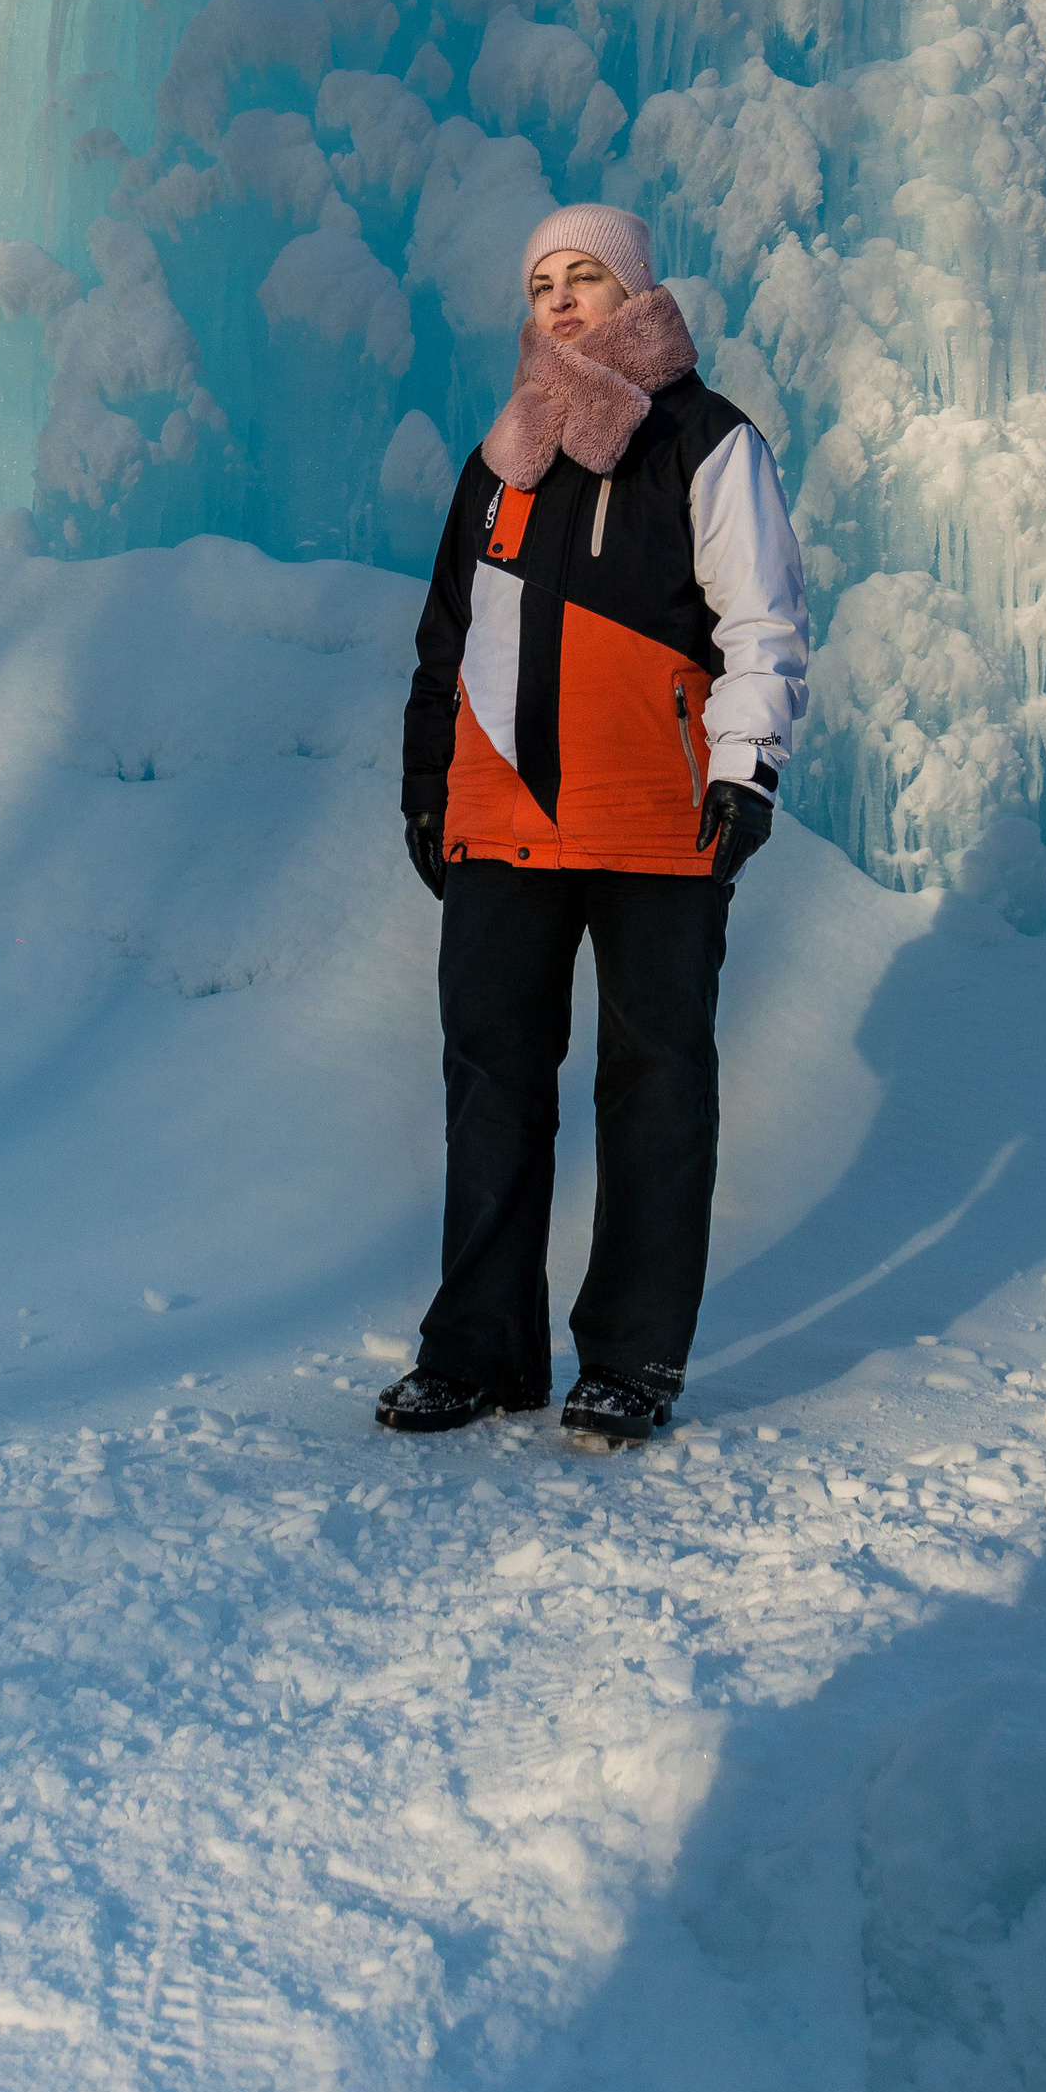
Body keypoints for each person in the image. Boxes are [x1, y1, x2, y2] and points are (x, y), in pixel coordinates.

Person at [376, 204, 809, 1447]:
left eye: (587, 277)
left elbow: (761, 619)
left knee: (655, 1083)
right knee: (491, 1079)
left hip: (659, 813)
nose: (563, 300)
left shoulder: (705, 439)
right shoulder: (504, 454)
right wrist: (427, 787)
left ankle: (630, 1358)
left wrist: (748, 767)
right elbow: (444, 642)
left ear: (633, 289)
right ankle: (479, 1350)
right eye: (545, 283)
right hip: (503, 812)